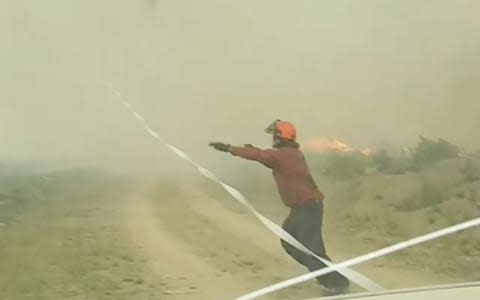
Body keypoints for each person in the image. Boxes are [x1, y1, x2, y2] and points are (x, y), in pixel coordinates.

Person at [209, 120, 350, 295]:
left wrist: (230, 148)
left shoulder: (283, 155)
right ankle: (327, 274)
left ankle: (336, 283)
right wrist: (251, 150)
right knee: (289, 242)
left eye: (274, 135)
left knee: (311, 249)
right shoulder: (290, 154)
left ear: (279, 137)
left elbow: (260, 155)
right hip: (302, 207)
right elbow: (264, 155)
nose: (273, 139)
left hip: (308, 207)